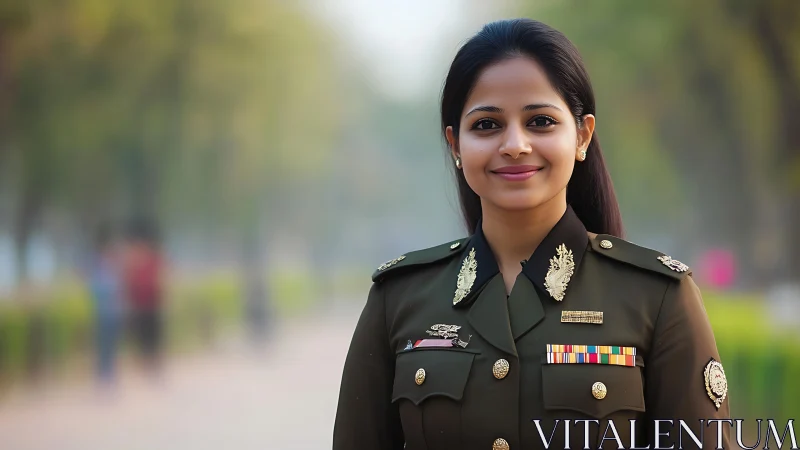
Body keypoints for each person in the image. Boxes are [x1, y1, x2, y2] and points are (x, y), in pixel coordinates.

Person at [333, 19, 730, 450]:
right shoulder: (400, 298)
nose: (515, 144)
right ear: (455, 146)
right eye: (487, 125)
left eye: (540, 121)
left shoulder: (658, 298)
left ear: (582, 135)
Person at [122, 219, 166, 377]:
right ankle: (145, 365)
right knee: (142, 337)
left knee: (153, 337)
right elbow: (128, 282)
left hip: (153, 304)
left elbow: (162, 279)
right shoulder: (133, 259)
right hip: (139, 305)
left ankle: (153, 365)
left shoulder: (154, 258)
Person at [86, 225, 124, 387]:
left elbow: (121, 287)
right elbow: (95, 288)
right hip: (101, 312)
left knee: (112, 345)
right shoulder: (97, 265)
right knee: (102, 346)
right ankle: (103, 376)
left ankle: (110, 375)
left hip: (114, 312)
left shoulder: (115, 265)